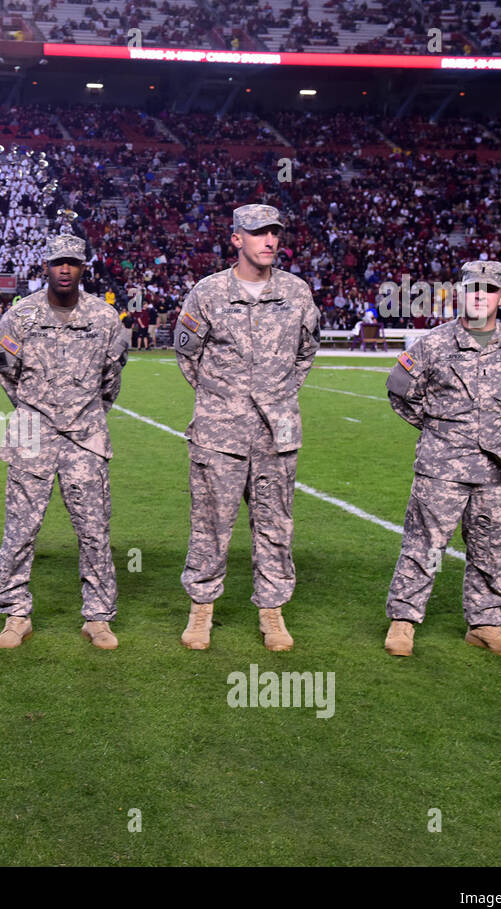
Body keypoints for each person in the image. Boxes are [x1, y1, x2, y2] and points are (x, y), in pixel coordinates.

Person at [383, 260, 501, 657]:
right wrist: (439, 428)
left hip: (497, 467)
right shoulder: (433, 344)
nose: (480, 296)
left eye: (489, 289)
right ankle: (403, 622)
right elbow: (399, 393)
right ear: (460, 294)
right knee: (424, 545)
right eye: (473, 288)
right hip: (442, 464)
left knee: (491, 547)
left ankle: (485, 623)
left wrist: (493, 428)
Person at [174, 204, 320, 652]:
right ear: (236, 238)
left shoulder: (297, 293)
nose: (269, 241)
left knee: (275, 525)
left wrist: (276, 397)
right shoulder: (208, 292)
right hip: (220, 433)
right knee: (210, 525)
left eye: (274, 232)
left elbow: (305, 353)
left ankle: (271, 613)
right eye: (258, 233)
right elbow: (187, 355)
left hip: (277, 432)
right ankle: (201, 610)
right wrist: (225, 401)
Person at [0, 234, 129, 650]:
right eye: (57, 263)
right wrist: (35, 410)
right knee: (20, 529)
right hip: (32, 435)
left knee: (94, 531)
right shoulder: (21, 316)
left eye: (72, 263)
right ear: (45, 267)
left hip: (86, 438)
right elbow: (6, 371)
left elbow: (111, 380)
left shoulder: (105, 318)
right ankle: (16, 614)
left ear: (84, 268)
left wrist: (83, 415)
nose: (65, 269)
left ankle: (98, 617)